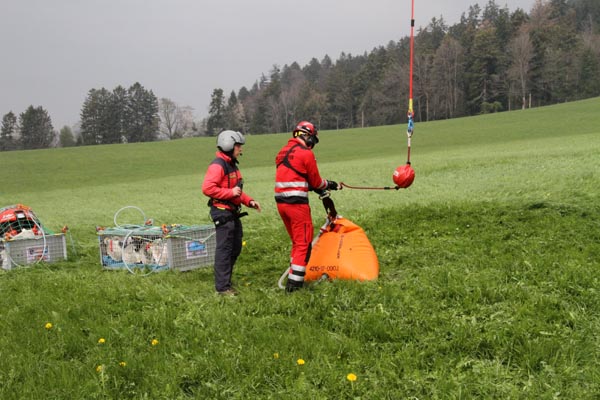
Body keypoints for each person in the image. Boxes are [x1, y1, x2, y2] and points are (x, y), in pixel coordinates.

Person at [274, 121, 340, 292]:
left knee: (297, 243)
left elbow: (296, 177)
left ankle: (293, 278)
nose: (313, 145)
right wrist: (330, 184)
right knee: (303, 243)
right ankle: (294, 288)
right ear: (307, 136)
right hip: (296, 205)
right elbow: (316, 182)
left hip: (281, 204)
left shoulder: (282, 152)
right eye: (313, 140)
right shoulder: (306, 154)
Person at [202, 130, 261, 296]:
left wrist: (249, 201)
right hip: (222, 212)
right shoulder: (218, 165)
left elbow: (237, 191)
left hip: (232, 212)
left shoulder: (232, 165)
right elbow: (207, 188)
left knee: (235, 247)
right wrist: (229, 194)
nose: (240, 149)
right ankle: (222, 288)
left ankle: (225, 281)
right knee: (225, 249)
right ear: (228, 145)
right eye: (238, 146)